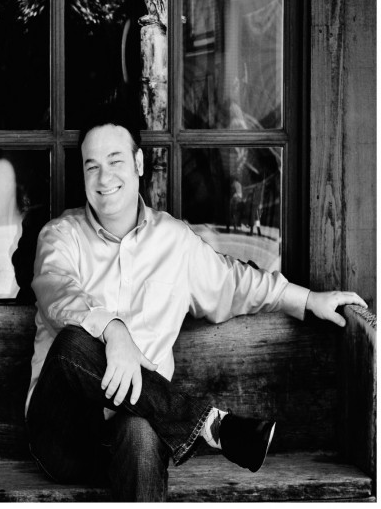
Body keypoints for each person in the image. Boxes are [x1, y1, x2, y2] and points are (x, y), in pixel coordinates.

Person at [25, 108, 367, 501]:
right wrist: (113, 331)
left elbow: (234, 283)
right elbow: (58, 294)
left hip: (139, 428)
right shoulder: (60, 237)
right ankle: (210, 426)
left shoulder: (175, 241)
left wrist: (307, 299)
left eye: (115, 161)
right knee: (73, 341)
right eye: (92, 166)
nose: (104, 178)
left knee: (140, 431)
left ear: (139, 163)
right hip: (64, 437)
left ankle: (200, 426)